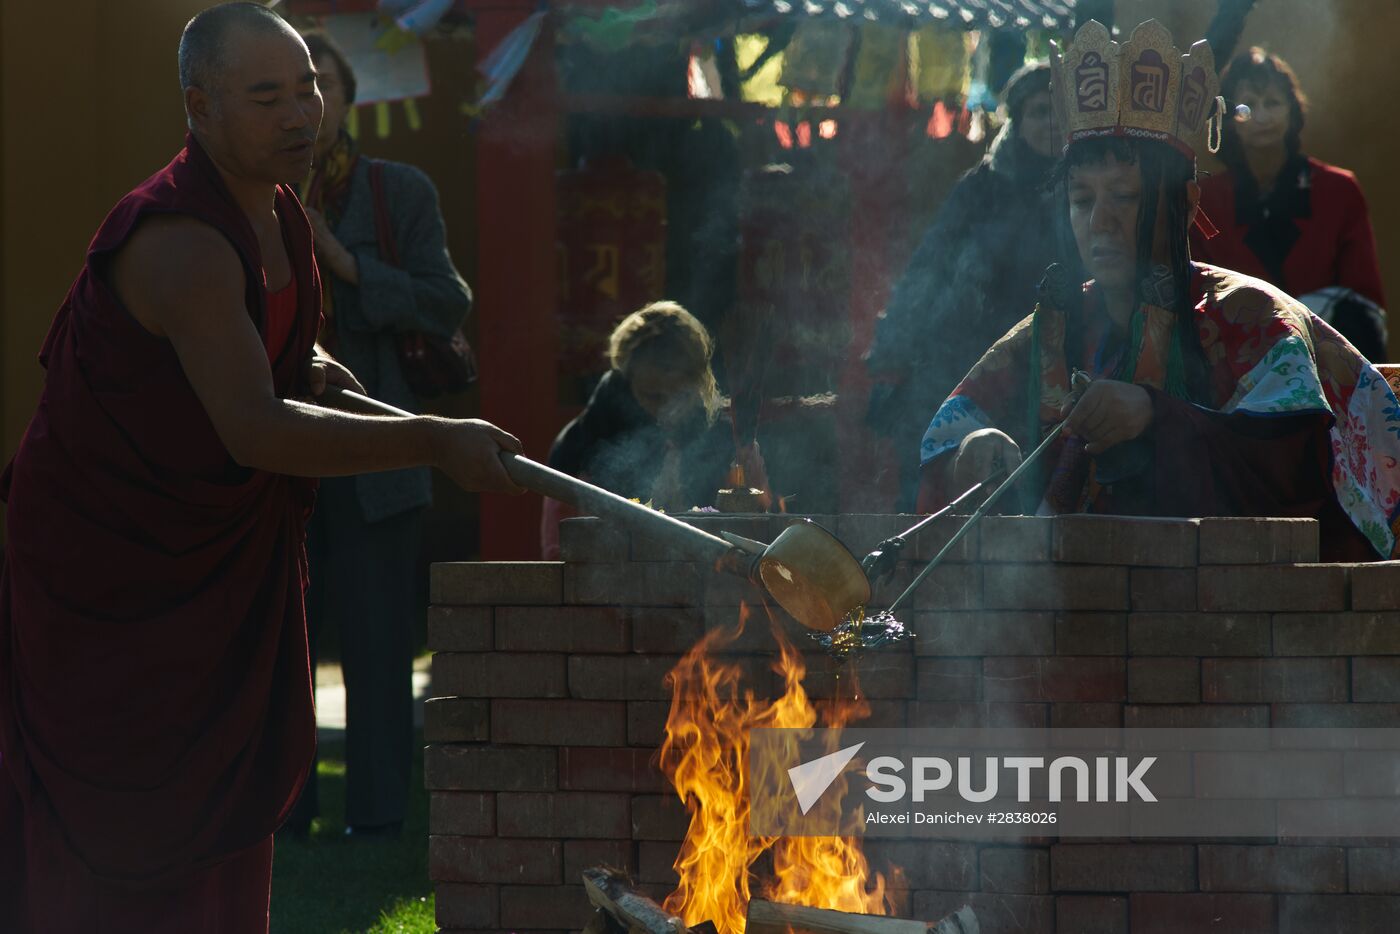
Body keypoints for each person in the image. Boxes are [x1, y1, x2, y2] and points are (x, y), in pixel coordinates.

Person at [0, 4, 521, 931]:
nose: (300, 116)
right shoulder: (180, 242)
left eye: (310, 89)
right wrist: (435, 440)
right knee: (121, 848)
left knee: (222, 843)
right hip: (115, 586)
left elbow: (293, 361)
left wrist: (404, 414)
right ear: (199, 108)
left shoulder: (278, 208)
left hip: (208, 573)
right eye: (267, 96)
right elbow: (257, 427)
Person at [917, 19, 1400, 563]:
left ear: (1188, 204)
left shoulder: (1253, 317)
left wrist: (1156, 417)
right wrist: (973, 453)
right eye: (1081, 199)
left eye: (1125, 196)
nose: (1099, 221)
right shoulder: (1054, 327)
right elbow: (946, 435)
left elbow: (1292, 465)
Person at [280, 31, 473, 841]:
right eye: (285, 89)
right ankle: (285, 817)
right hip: (280, 457)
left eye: (317, 85)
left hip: (379, 459)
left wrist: (348, 265)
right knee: (280, 652)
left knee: (379, 647)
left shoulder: (398, 192)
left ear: (347, 100)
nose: (303, 105)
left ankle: (379, 817)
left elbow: (445, 302)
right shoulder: (244, 193)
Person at [865, 60, 1059, 511]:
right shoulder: (980, 188)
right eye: (1039, 111)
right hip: (961, 359)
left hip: (1044, 365)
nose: (1050, 123)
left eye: (1060, 113)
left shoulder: (1082, 188)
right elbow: (927, 270)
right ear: (1018, 119)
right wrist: (891, 355)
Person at [1192, 48, 1388, 361]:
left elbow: (1363, 302)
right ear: (1227, 119)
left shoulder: (1338, 190)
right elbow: (1199, 298)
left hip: (1331, 361)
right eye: (1248, 106)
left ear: (1291, 109)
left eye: (1272, 103)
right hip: (1236, 369)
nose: (1263, 116)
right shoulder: (1203, 201)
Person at [541, 302, 737, 557]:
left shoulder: (722, 437)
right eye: (652, 396)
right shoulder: (583, 443)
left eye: (676, 395)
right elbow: (559, 549)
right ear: (628, 381)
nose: (665, 410)